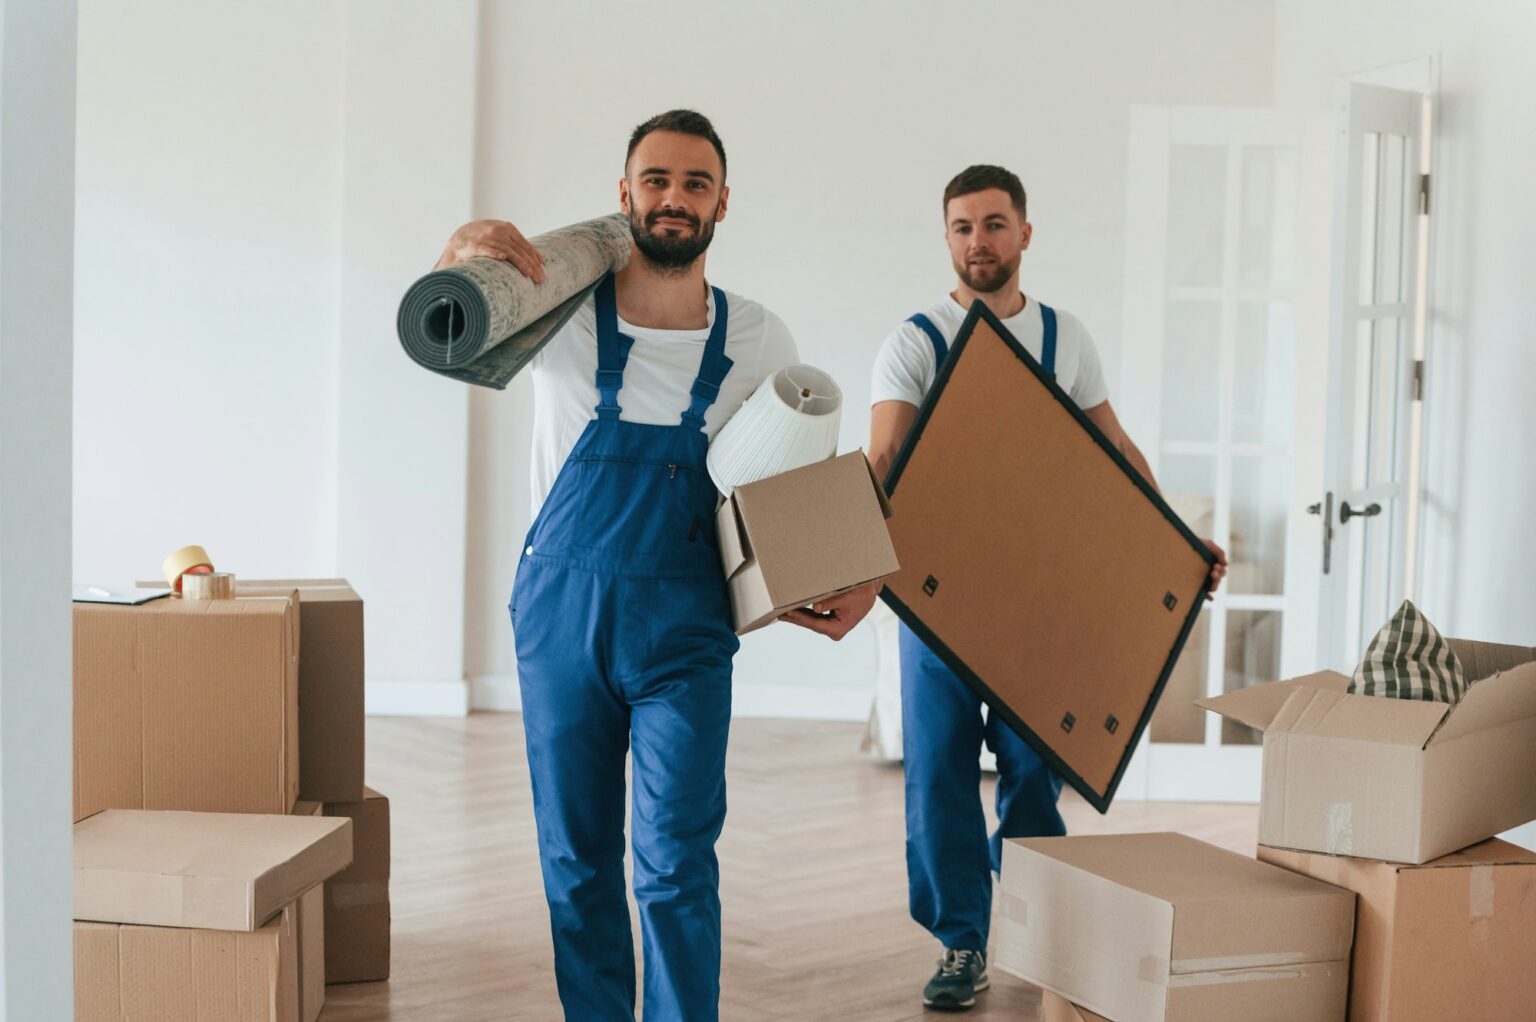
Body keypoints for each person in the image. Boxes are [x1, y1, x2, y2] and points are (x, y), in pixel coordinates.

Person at [433, 109, 877, 1022]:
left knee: (675, 861)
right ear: (624, 193)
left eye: (696, 183)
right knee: (577, 855)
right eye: (658, 179)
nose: (675, 198)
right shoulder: (552, 314)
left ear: (723, 203)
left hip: (686, 630)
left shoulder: (760, 339)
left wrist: (858, 571)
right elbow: (446, 334)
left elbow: (792, 495)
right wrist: (456, 258)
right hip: (561, 619)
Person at [868, 164, 1228, 1012]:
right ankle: (963, 940)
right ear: (946, 238)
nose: (978, 242)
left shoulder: (1067, 339)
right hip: (940, 605)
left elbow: (1116, 453)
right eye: (962, 226)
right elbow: (886, 462)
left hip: (1044, 603)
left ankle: (1032, 924)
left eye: (994, 224)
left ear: (1025, 234)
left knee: (1035, 772)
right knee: (939, 776)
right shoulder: (915, 340)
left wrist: (1177, 547)